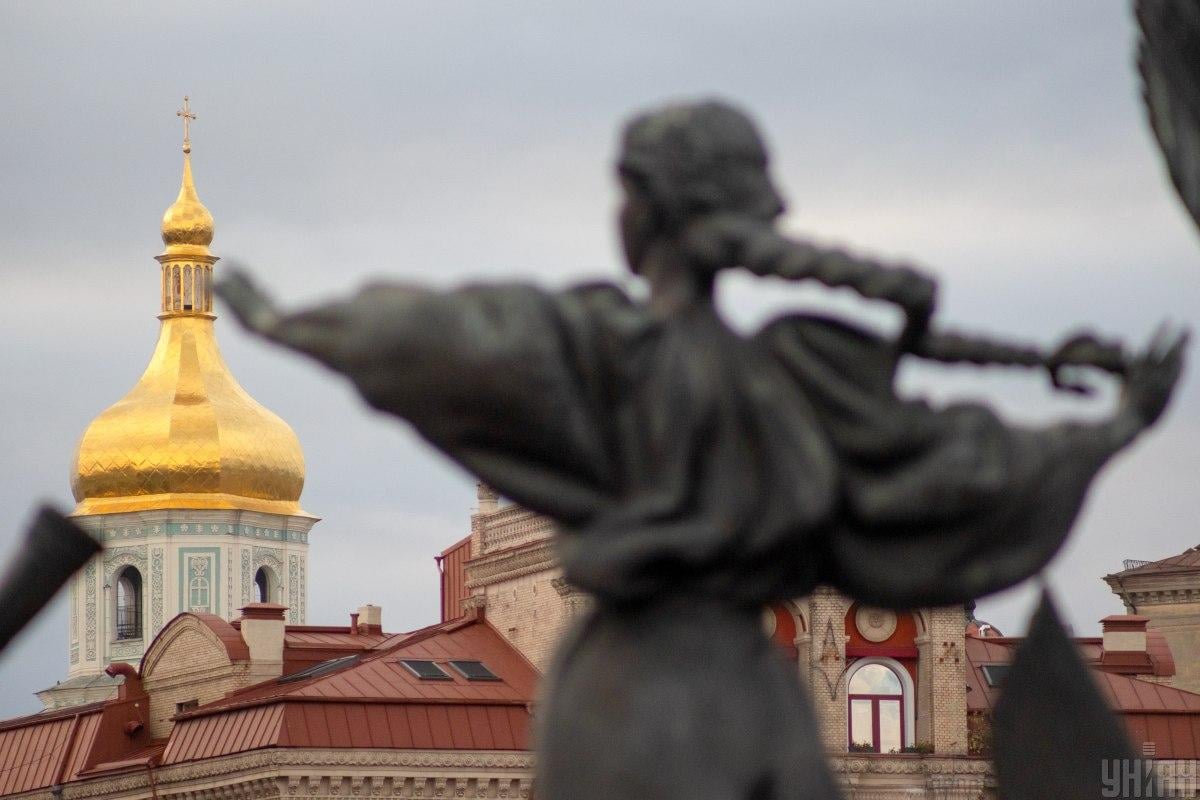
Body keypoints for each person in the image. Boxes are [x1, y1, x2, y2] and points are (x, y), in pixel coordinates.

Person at [219, 100, 1185, 800]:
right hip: (754, 698)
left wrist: (294, 324)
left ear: (641, 214)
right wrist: (1112, 427)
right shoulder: (801, 383)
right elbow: (965, 476)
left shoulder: (603, 355)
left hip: (624, 692)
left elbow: (437, 337)